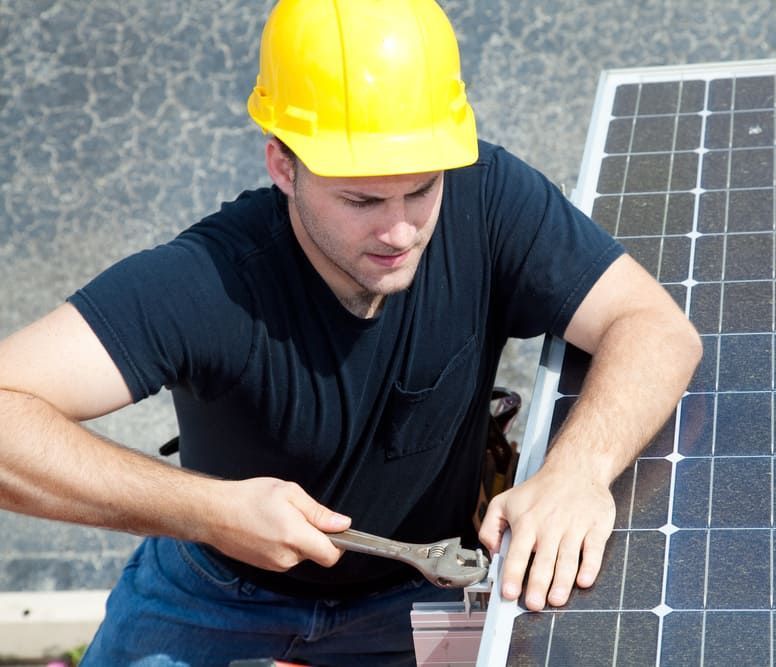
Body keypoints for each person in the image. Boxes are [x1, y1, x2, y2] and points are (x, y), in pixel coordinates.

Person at [0, 0, 701, 664]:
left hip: (423, 582)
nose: (400, 231)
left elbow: (655, 326)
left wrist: (575, 474)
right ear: (283, 164)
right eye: (360, 199)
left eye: (421, 189)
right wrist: (208, 510)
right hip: (214, 588)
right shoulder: (208, 280)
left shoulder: (486, 197)